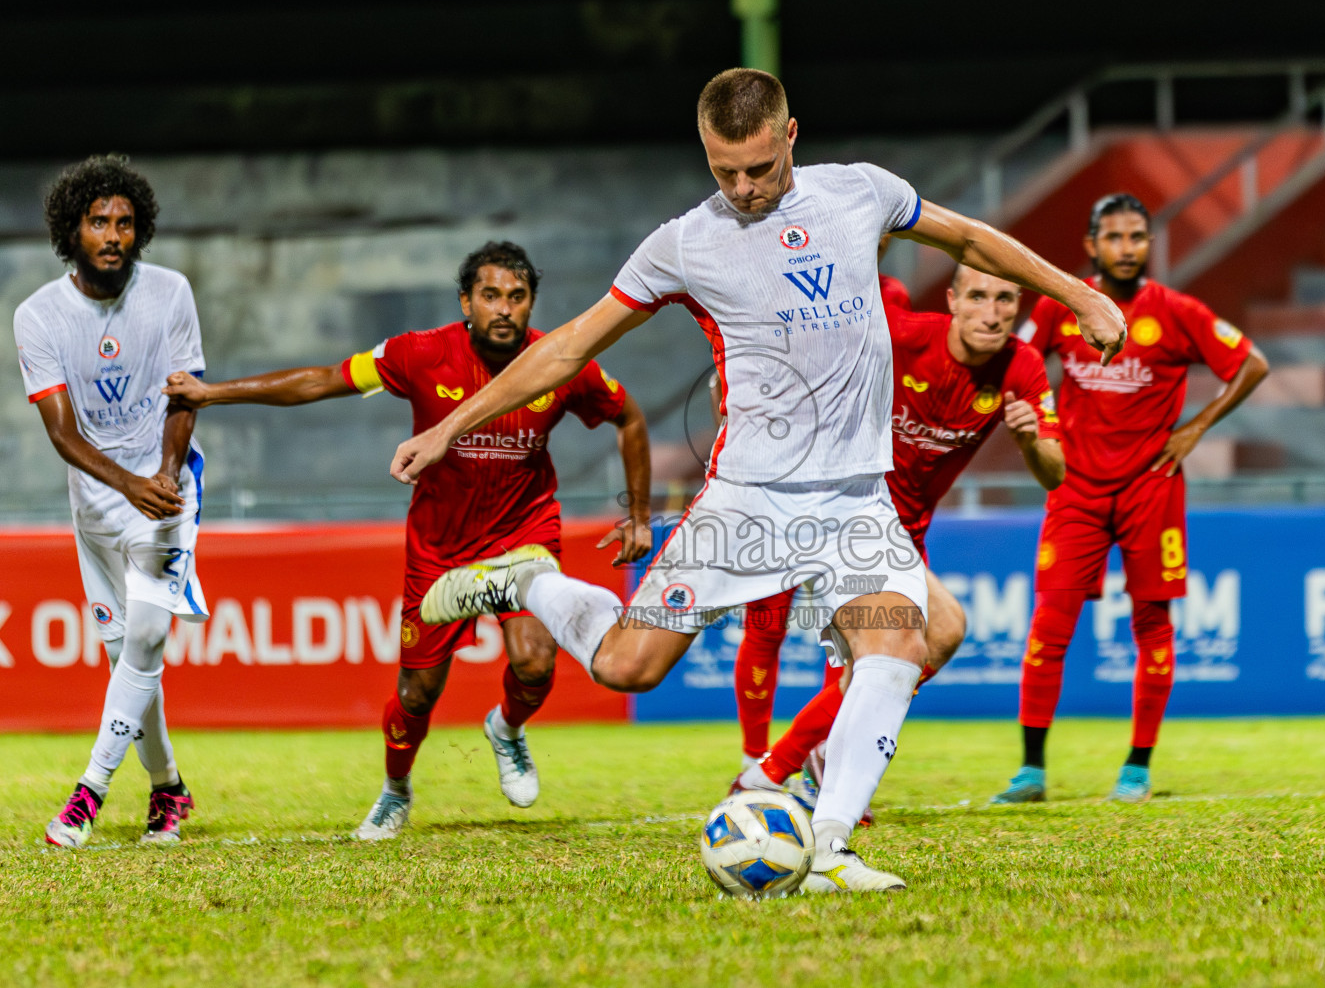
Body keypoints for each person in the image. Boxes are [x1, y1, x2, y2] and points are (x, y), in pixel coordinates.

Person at [392, 69, 1125, 891]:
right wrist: (453, 424)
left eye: (759, 169)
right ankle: (529, 580)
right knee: (628, 665)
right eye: (722, 171)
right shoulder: (684, 242)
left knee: (897, 646)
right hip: (747, 500)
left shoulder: (860, 194)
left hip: (855, 499)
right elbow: (568, 346)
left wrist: (1074, 295)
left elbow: (969, 241)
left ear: (791, 137)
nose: (741, 188)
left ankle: (831, 846)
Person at [163, 242, 653, 840]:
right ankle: (396, 789)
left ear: (531, 304)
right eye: (491, 295)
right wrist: (215, 394)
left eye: (518, 297)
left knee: (534, 661)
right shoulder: (419, 354)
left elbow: (629, 417)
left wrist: (638, 514)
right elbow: (322, 380)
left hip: (524, 534)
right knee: (417, 693)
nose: (505, 309)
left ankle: (507, 729)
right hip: (441, 549)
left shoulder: (559, 360)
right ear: (466, 303)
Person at [732, 263, 1065, 816]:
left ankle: (802, 768)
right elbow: (818, 350)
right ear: (953, 300)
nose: (993, 311)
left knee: (880, 659)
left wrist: (1031, 440)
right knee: (938, 628)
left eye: (1005, 299)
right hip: (843, 503)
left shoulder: (1023, 367)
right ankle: (770, 768)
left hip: (904, 529)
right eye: (979, 296)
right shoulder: (904, 334)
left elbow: (1055, 474)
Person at [992, 193, 1269, 805]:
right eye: (1114, 237)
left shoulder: (1176, 312)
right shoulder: (1064, 306)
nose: (1126, 248)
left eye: (1137, 236)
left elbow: (1252, 364)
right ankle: (1031, 770)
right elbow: (1017, 359)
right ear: (1092, 246)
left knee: (1152, 625)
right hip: (1075, 490)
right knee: (1049, 626)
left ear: (1150, 243)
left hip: (1151, 488)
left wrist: (1196, 427)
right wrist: (1037, 420)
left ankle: (1137, 767)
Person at [14, 155, 204, 847]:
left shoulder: (172, 292)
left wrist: (166, 473)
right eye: (99, 222)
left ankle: (87, 794)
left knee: (149, 637)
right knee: (131, 655)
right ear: (73, 230)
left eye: (125, 222)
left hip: (165, 490)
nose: (114, 234)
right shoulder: (37, 316)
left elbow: (185, 395)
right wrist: (128, 486)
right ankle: (170, 791)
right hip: (97, 506)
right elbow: (62, 433)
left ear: (140, 229)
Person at [731, 245, 917, 766]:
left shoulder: (890, 296)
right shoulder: (770, 288)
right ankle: (754, 758)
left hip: (851, 491)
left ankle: (825, 753)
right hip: (777, 482)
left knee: (852, 632)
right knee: (765, 624)